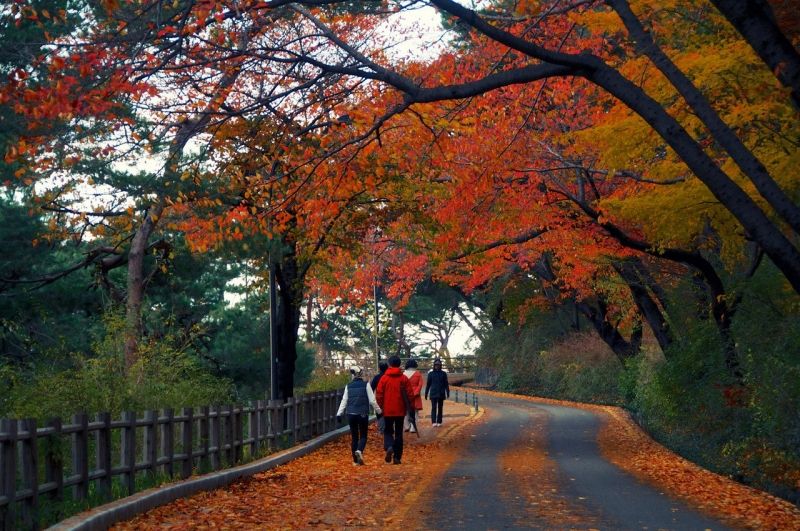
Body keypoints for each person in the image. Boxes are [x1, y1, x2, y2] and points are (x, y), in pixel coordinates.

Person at [337, 365, 381, 465]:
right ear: (361, 374)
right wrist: (379, 411)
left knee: (354, 437)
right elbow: (372, 401)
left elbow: (344, 400)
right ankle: (359, 450)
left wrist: (339, 414)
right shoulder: (366, 385)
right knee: (363, 435)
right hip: (362, 414)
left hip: (351, 414)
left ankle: (355, 461)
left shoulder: (348, 386)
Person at [375, 356, 413, 465]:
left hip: (387, 410)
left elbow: (379, 395)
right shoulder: (404, 378)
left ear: (390, 364)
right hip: (400, 411)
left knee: (388, 431)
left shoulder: (384, 378)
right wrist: (409, 408)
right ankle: (397, 457)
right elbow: (410, 394)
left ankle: (390, 446)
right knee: (399, 433)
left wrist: (380, 408)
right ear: (399, 364)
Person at [425, 357, 450, 426]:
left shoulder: (443, 374)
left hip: (441, 393)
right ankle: (433, 422)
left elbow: (446, 384)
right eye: (436, 364)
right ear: (434, 365)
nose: (437, 366)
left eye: (438, 364)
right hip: (433, 393)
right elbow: (428, 384)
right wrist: (426, 393)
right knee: (434, 407)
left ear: (440, 365)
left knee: (440, 408)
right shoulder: (431, 374)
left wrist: (447, 392)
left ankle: (439, 421)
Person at [403, 358, 423, 433]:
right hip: (415, 395)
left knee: (406, 411)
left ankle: (406, 426)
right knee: (415, 411)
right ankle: (413, 427)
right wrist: (416, 392)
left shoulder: (403, 374)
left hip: (406, 395)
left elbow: (401, 385)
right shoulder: (418, 374)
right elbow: (420, 384)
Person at [370, 360, 389, 433]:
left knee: (379, 413)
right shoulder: (389, 377)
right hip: (389, 397)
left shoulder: (377, 377)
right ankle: (388, 428)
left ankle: (381, 429)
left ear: (380, 368)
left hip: (379, 397)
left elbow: (372, 388)